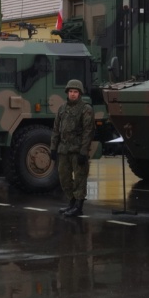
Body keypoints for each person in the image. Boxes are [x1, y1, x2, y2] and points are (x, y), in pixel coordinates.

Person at [50, 79, 94, 217]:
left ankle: (78, 206)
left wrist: (83, 151)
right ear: (67, 93)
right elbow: (56, 130)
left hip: (77, 150)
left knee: (80, 178)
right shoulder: (62, 109)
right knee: (64, 178)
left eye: (75, 92)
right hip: (63, 149)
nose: (73, 94)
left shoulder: (86, 109)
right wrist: (53, 148)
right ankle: (71, 202)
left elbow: (88, 131)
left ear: (80, 93)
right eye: (71, 91)